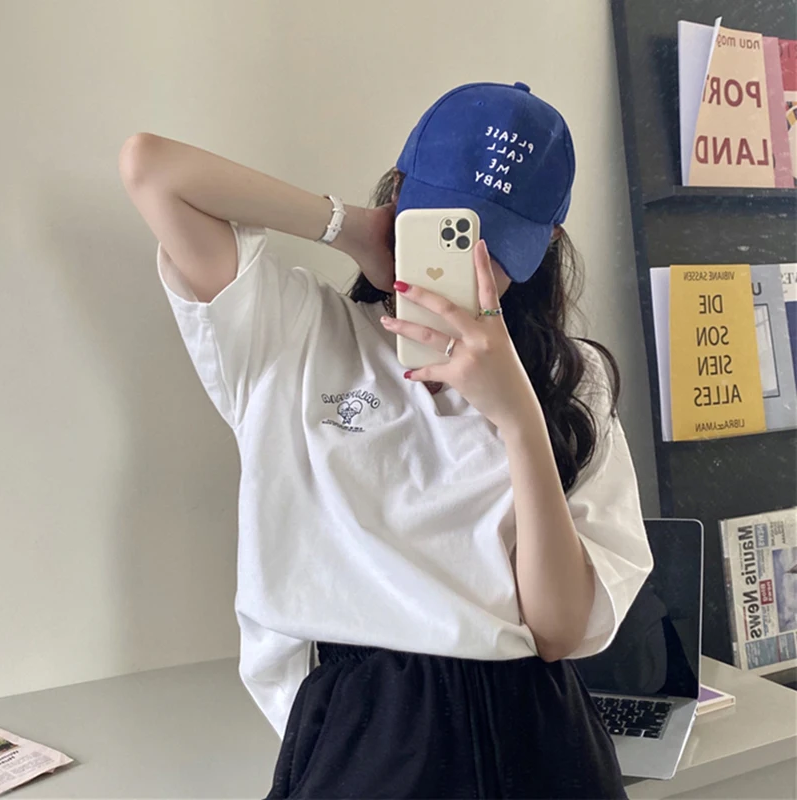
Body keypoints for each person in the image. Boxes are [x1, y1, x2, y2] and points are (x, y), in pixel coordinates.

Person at [119, 80, 654, 799]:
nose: (471, 262)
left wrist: (518, 417)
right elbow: (152, 169)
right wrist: (351, 228)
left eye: (496, 243)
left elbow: (556, 633)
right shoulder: (294, 333)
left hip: (538, 728)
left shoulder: (569, 377)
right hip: (366, 731)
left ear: (546, 243)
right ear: (400, 195)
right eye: (448, 229)